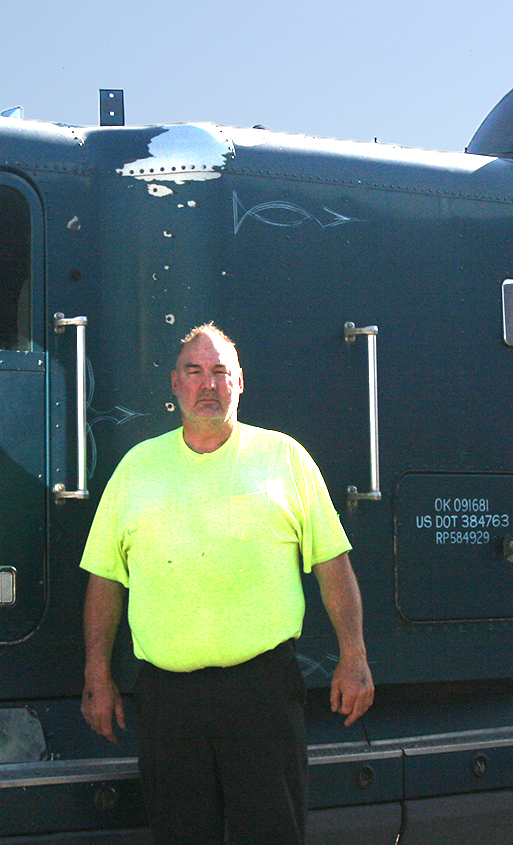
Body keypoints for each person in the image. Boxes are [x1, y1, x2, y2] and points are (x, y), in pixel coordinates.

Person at [79, 322, 374, 845]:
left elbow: (334, 565)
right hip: (168, 701)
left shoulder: (285, 458)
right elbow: (105, 580)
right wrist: (97, 674)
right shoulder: (135, 469)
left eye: (220, 372)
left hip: (262, 694)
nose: (208, 384)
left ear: (240, 382)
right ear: (175, 384)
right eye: (194, 371)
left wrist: (354, 656)